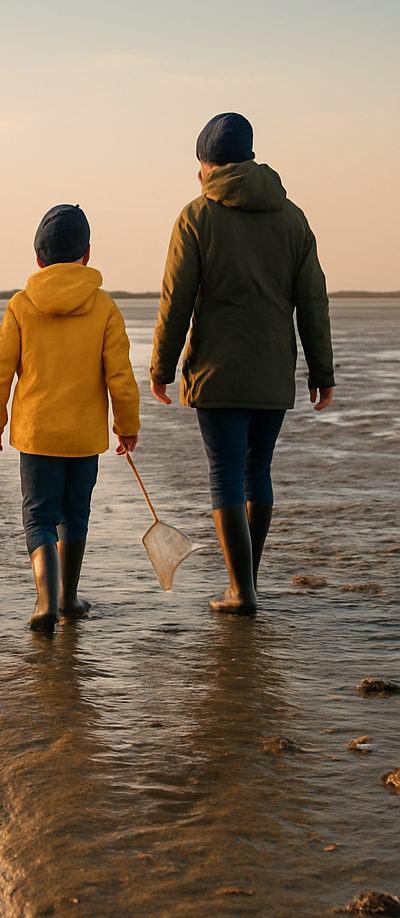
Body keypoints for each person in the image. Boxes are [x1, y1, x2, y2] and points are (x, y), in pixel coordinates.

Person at [150, 112, 335, 615]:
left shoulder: (196, 216)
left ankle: (241, 592)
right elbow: (312, 301)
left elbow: (177, 300)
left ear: (207, 165)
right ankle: (245, 583)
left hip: (217, 372)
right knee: (259, 472)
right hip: (272, 372)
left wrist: (161, 368)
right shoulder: (292, 216)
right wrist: (323, 372)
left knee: (226, 473)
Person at [0, 204, 140, 631]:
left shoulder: (21, 305)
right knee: (76, 513)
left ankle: (45, 602)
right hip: (84, 437)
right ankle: (67, 597)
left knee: (39, 517)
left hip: (36, 435)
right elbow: (120, 376)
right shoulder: (104, 307)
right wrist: (127, 425)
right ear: (87, 253)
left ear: (38, 259)